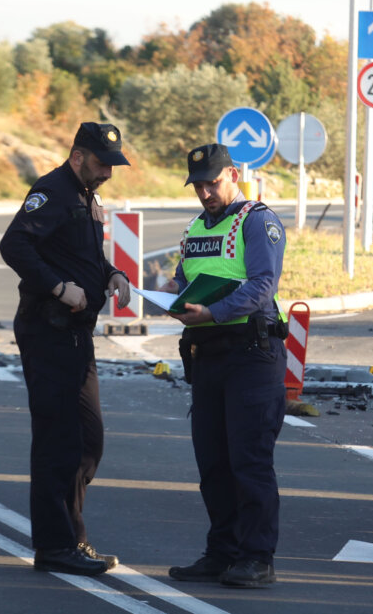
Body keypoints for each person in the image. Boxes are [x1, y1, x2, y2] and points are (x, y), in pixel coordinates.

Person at [0, 122, 131, 576]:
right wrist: (57, 287)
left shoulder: (86, 197)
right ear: (77, 156)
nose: (107, 172)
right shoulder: (53, 190)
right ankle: (58, 545)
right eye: (100, 163)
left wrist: (112, 273)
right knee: (59, 441)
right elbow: (14, 244)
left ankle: (70, 537)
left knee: (88, 439)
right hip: (48, 330)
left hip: (77, 335)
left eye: (112, 165)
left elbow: (84, 254)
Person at [163, 143, 287, 588]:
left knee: (249, 462)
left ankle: (257, 558)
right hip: (207, 354)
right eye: (197, 184)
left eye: (212, 182)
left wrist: (212, 312)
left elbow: (262, 285)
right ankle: (222, 553)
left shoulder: (257, 221)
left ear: (234, 174)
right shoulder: (196, 226)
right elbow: (184, 278)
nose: (204, 192)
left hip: (251, 354)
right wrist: (173, 295)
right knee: (213, 462)